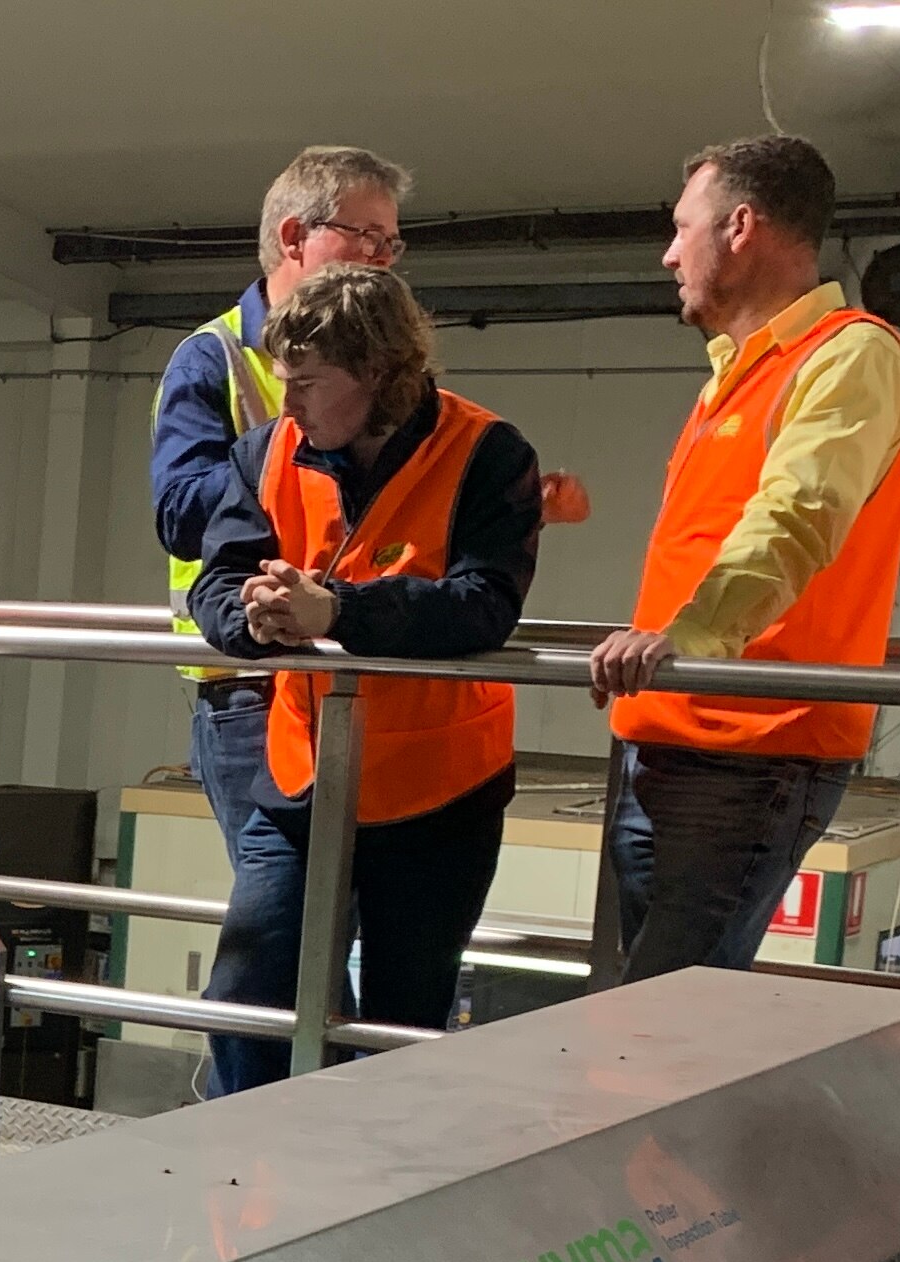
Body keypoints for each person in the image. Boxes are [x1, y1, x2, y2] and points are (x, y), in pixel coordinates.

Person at [188, 265, 542, 1089]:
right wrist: (254, 616)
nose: (292, 407)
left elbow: (484, 606)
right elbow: (213, 579)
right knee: (245, 992)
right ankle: (257, 1181)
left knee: (400, 1023)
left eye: (308, 384)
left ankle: (369, 1192)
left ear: (380, 373)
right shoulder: (270, 450)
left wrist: (337, 612)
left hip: (438, 791)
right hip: (302, 777)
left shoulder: (489, 453)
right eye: (285, 385)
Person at [588, 135, 900, 980]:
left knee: (665, 1019)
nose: (669, 254)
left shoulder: (850, 354)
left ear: (741, 226)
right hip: (667, 728)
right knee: (653, 1010)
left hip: (754, 743)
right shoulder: (735, 374)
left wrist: (690, 639)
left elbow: (798, 514)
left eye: (681, 228)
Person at [154, 147, 414, 1005]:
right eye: (365, 235)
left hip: (347, 671)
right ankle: (288, 1112)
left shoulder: (383, 365)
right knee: (290, 941)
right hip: (251, 682)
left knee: (348, 924)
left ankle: (317, 1104)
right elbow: (180, 509)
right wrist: (284, 469)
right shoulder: (215, 359)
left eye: (392, 242)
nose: (381, 255)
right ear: (296, 236)